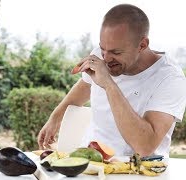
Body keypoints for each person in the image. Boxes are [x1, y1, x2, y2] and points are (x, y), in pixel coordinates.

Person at [37, 4, 186, 157]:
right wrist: (55, 119)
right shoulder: (102, 56)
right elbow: (84, 87)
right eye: (102, 48)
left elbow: (144, 146)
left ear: (142, 45)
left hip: (136, 172)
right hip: (89, 162)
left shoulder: (170, 79)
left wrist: (108, 84)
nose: (106, 58)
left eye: (116, 52)